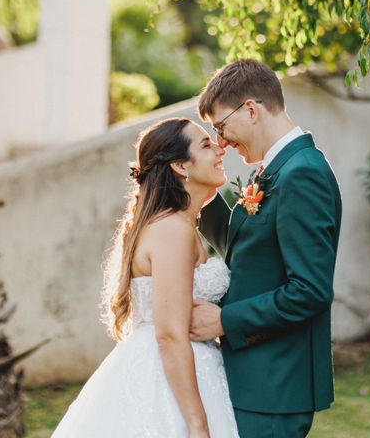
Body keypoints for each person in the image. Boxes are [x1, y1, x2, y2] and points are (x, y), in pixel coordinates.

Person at [52, 117, 239, 438]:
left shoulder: (177, 224)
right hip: (167, 383)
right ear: (181, 166)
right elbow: (169, 334)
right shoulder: (172, 230)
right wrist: (197, 424)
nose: (220, 150)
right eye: (206, 145)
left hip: (192, 369)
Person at [190, 59, 343, 438]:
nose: (221, 141)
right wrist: (200, 198)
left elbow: (309, 291)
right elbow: (251, 254)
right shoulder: (277, 169)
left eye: (221, 127)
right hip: (256, 380)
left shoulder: (302, 174)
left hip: (275, 386)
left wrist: (224, 321)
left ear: (252, 109)